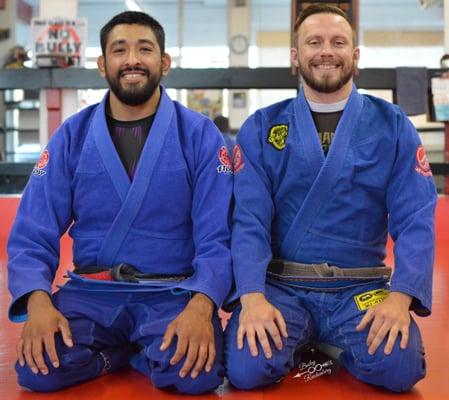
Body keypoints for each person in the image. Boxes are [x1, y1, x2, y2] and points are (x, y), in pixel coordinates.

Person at [7, 11, 233, 395]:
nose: (132, 59)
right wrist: (39, 301)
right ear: (102, 65)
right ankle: (123, 354)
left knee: (196, 374)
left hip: (171, 294)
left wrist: (202, 303)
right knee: (37, 371)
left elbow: (218, 232)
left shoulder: (199, 135)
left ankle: (134, 349)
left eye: (144, 49)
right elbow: (33, 229)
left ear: (164, 63)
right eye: (119, 50)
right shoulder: (72, 136)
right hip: (93, 294)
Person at [224, 4, 437, 393]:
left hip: (359, 288)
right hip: (281, 287)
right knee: (246, 368)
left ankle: (323, 341)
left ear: (355, 56)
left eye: (338, 42)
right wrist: (252, 296)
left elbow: (416, 218)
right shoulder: (263, 127)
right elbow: (248, 221)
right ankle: (323, 342)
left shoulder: (392, 125)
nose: (326, 51)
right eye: (314, 42)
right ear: (295, 56)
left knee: (400, 368)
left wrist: (401, 297)